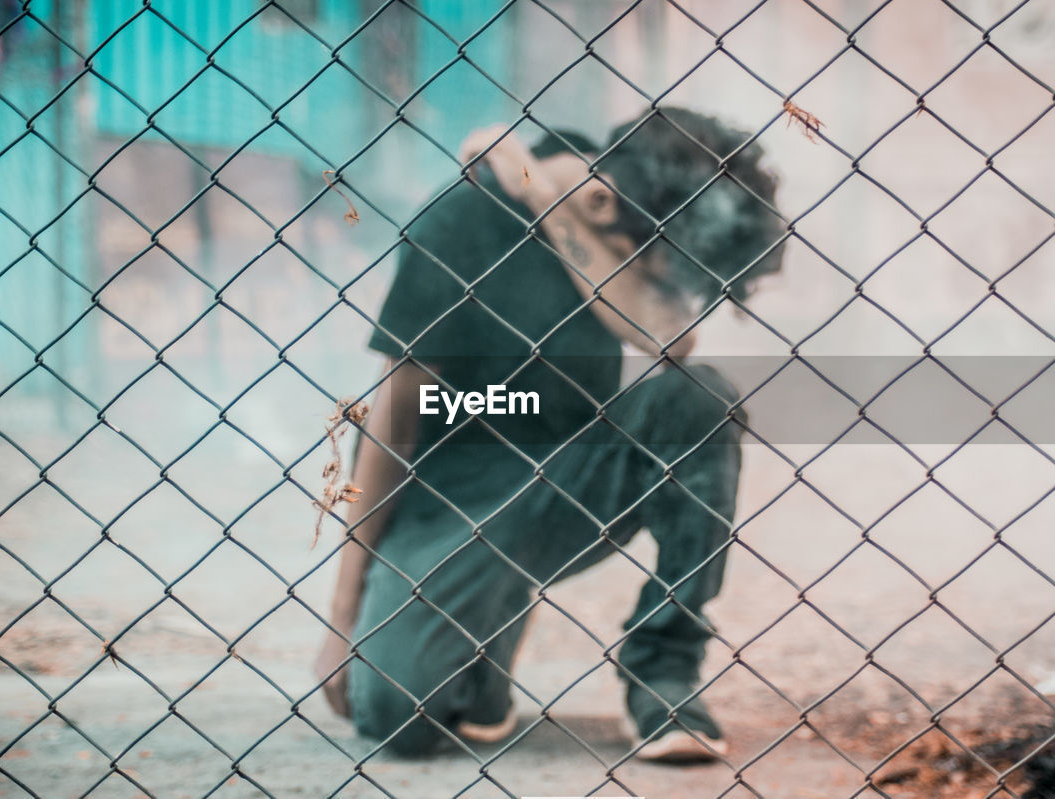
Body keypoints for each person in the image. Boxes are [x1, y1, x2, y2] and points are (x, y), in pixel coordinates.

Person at [314, 107, 786, 761]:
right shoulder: (470, 218)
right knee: (399, 717)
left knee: (700, 396)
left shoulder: (627, 264)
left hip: (565, 483)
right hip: (450, 502)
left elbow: (674, 352)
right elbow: (390, 425)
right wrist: (343, 614)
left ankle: (663, 671)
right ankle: (484, 633)